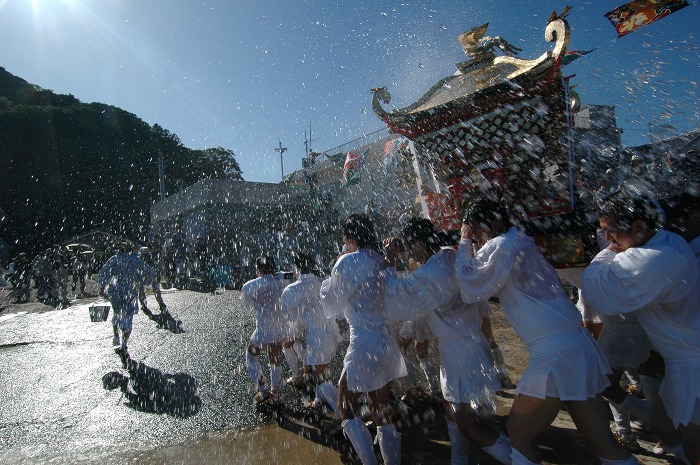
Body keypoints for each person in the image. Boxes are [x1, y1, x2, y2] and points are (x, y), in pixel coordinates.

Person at [455, 198, 637, 465]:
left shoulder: (501, 245)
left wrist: (463, 242)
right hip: (576, 343)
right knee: (600, 441)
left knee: (518, 432)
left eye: (476, 232)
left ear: (491, 224)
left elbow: (469, 283)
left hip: (554, 352)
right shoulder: (520, 240)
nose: (478, 240)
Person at [582, 185, 700, 464]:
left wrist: (608, 254)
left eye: (611, 230)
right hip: (682, 359)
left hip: (693, 366)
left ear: (638, 225)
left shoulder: (651, 259)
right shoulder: (668, 240)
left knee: (696, 446)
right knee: (669, 427)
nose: (609, 238)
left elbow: (594, 286)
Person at [384, 218, 512, 465]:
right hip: (465, 343)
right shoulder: (448, 257)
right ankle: (458, 459)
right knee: (450, 405)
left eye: (410, 246)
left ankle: (517, 459)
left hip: (461, 349)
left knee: (468, 423)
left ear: (419, 243)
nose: (409, 252)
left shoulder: (433, 272)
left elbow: (402, 298)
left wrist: (390, 262)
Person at [320, 213, 407, 465]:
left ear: (349, 237)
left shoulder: (347, 262)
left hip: (363, 344)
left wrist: (334, 270)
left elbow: (332, 305)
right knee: (380, 409)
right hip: (384, 340)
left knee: (345, 406)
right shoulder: (380, 260)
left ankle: (369, 461)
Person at [280, 250, 343, 416]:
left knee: (320, 377)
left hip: (318, 337)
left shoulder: (293, 289)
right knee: (320, 372)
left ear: (296, 268)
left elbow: (290, 316)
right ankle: (318, 401)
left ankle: (342, 414)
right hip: (330, 333)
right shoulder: (322, 282)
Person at [241, 254, 290, 404]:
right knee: (275, 359)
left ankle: (263, 389)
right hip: (280, 327)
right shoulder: (282, 279)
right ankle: (275, 391)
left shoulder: (250, 285)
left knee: (251, 358)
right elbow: (291, 275)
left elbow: (247, 306)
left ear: (258, 269)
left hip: (263, 329)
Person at [97, 243, 155, 359]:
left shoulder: (114, 259)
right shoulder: (134, 260)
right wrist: (143, 280)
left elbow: (104, 273)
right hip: (129, 292)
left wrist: (102, 288)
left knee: (117, 313)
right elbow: (148, 271)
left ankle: (115, 336)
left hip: (115, 291)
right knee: (128, 317)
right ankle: (124, 343)